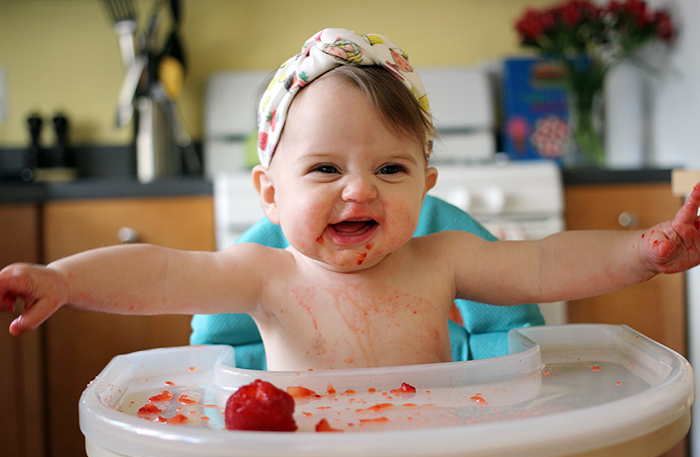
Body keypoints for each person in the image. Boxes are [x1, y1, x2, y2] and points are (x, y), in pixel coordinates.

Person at [2, 28, 700, 372]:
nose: (360, 188)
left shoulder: (443, 259)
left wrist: (642, 250)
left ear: (428, 186)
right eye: (326, 167)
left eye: (391, 167)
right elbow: (154, 272)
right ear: (270, 195)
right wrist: (64, 280)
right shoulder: (261, 274)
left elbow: (548, 264)